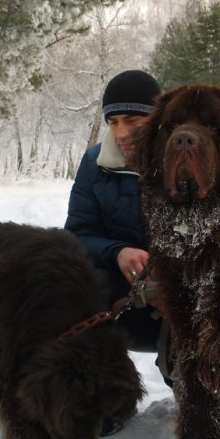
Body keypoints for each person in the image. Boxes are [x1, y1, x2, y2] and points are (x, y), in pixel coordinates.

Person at [64, 70, 174, 391]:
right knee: (69, 289)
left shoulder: (186, 159)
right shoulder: (94, 163)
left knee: (189, 379)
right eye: (112, 122)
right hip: (123, 298)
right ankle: (107, 396)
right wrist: (118, 253)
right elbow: (76, 236)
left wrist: (173, 281)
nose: (120, 132)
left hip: (182, 300)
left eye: (132, 121)